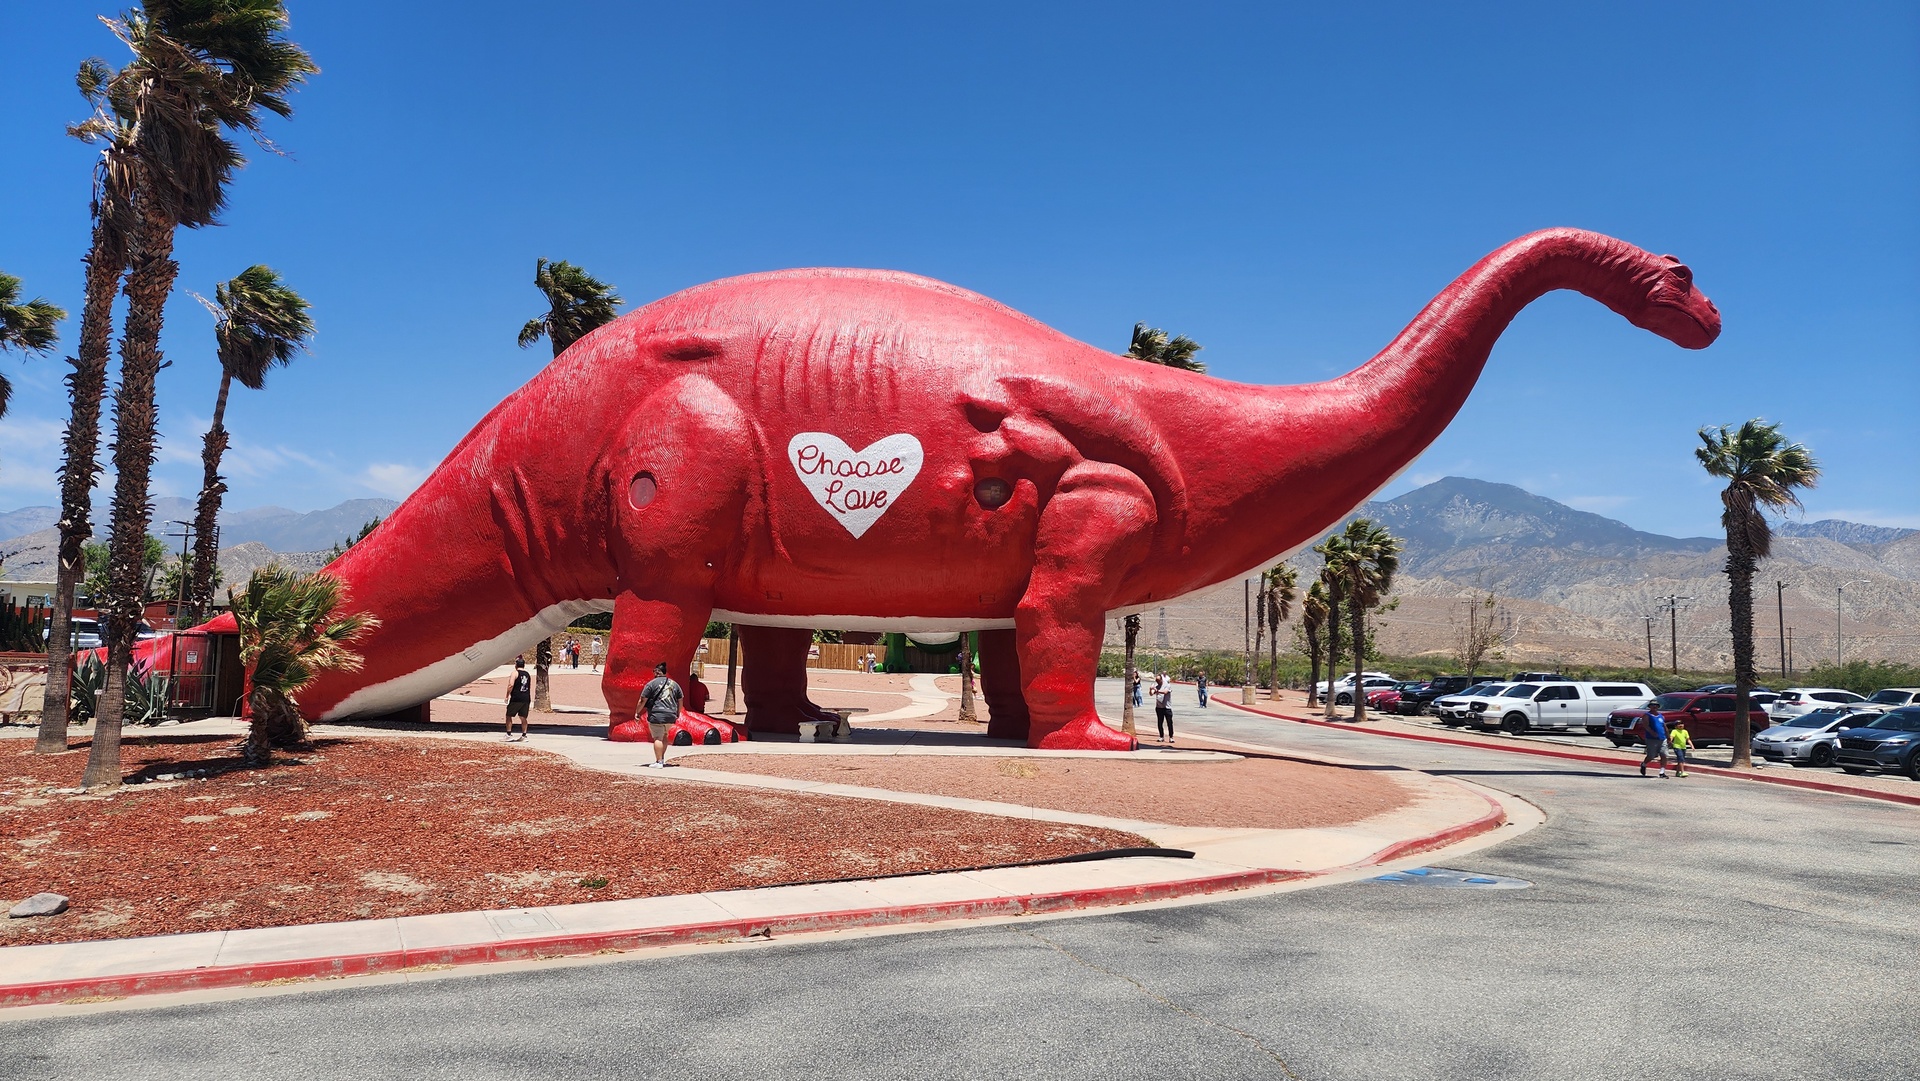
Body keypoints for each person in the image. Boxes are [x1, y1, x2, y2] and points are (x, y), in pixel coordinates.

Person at [638, 662, 683, 768]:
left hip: (657, 714)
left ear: (657, 672)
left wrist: (637, 712)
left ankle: (658, 762)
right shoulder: (674, 684)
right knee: (664, 736)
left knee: (658, 737)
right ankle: (661, 759)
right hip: (671, 715)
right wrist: (678, 712)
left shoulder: (651, 684)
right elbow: (680, 699)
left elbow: (642, 700)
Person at [504, 657, 533, 741]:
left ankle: (508, 734)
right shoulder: (527, 674)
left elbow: (511, 685)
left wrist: (507, 696)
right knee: (523, 717)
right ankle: (524, 735)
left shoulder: (515, 673)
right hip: (526, 698)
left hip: (516, 697)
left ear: (516, 665)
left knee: (509, 715)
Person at [1640, 700, 1670, 778]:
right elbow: (1646, 725)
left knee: (1664, 754)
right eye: (1653, 705)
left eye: (1656, 705)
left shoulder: (1661, 716)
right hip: (1652, 739)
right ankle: (1644, 764)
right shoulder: (1647, 715)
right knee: (1651, 755)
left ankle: (1662, 772)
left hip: (1662, 738)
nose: (1654, 706)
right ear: (1650, 706)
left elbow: (1664, 726)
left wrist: (1668, 736)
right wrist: (1652, 732)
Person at [1154, 671, 1175, 743]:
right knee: (1160, 722)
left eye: (1158, 680)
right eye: (1156, 680)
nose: (1157, 682)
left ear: (1161, 679)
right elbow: (1151, 693)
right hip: (1159, 707)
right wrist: (1151, 689)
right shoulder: (1156, 686)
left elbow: (1165, 692)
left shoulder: (1167, 685)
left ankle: (1171, 737)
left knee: (1169, 722)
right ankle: (1161, 736)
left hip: (1167, 708)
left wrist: (1157, 691)